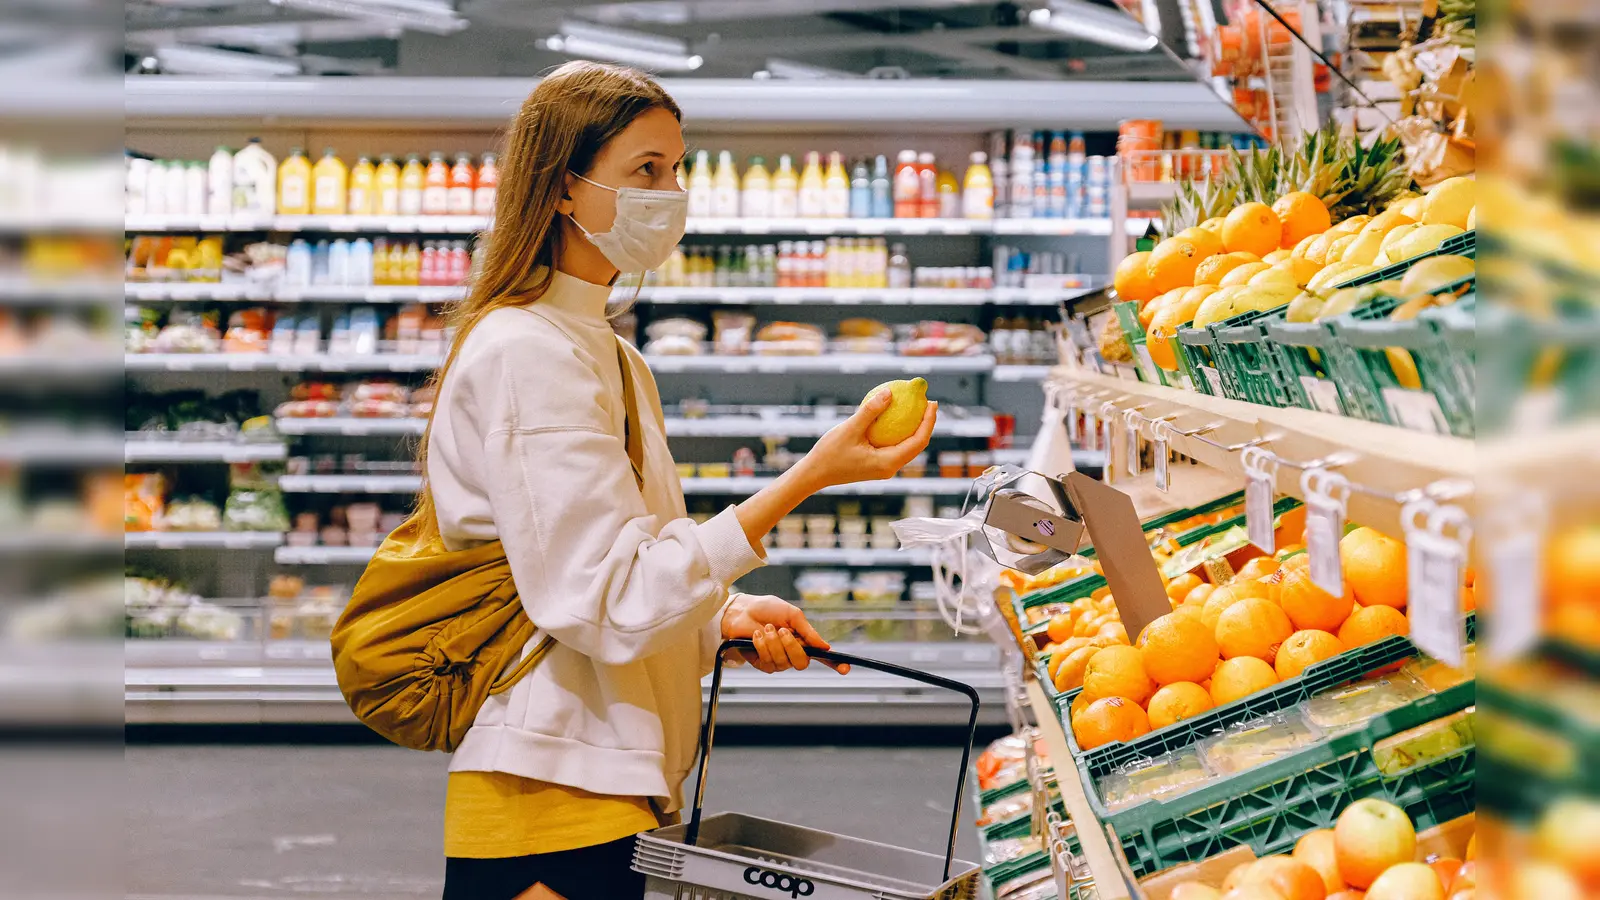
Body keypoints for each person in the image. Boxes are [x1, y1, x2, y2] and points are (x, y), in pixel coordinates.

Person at [419, 61, 938, 900]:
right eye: (645, 171)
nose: (672, 193)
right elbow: (603, 598)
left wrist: (715, 620)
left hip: (610, 781)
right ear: (562, 188)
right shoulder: (528, 352)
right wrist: (809, 477)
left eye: (678, 168)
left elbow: (616, 571)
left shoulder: (608, 354)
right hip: (550, 791)